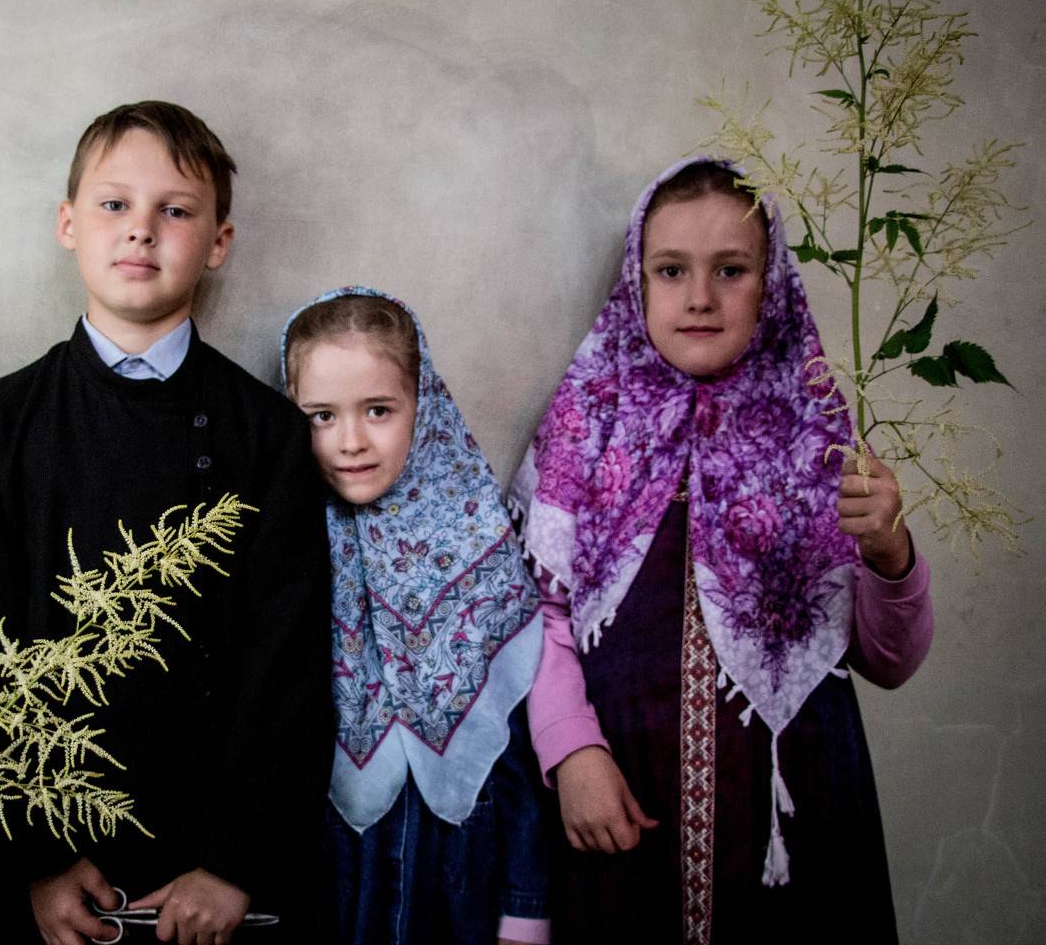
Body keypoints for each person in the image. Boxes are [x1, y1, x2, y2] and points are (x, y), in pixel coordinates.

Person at [0, 100, 333, 945]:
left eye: (175, 210)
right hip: (48, 871)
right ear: (68, 224)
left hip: (212, 874)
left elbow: (287, 663)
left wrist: (233, 861)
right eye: (114, 204)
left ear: (219, 241)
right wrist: (36, 860)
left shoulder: (267, 434)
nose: (141, 229)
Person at [510, 157, 935, 944]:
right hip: (619, 797)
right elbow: (539, 613)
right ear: (637, 281)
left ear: (772, 286)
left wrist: (890, 554)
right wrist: (570, 751)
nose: (700, 297)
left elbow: (890, 661)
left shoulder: (821, 438)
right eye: (671, 270)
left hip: (791, 811)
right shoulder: (585, 423)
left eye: (731, 270)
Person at [282, 288, 551, 945]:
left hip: (457, 869)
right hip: (329, 873)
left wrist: (525, 908)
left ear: (422, 406)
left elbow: (511, 743)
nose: (351, 441)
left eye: (378, 410)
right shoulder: (284, 548)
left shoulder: (475, 541)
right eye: (321, 416)